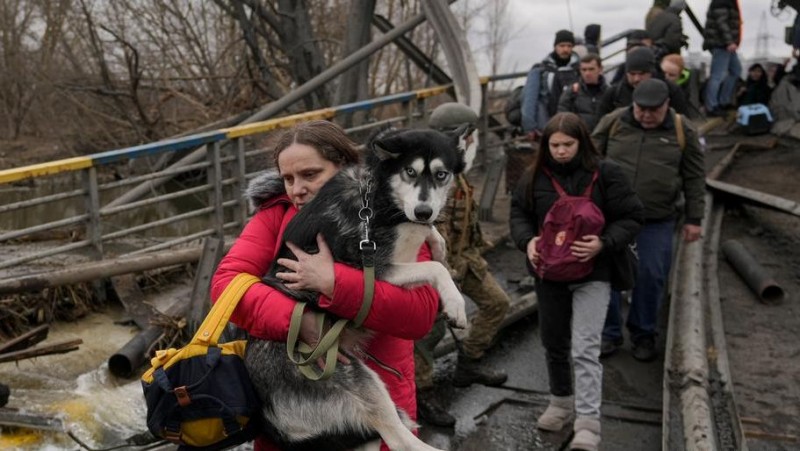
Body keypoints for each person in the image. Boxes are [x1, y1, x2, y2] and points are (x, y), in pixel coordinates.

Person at [210, 120, 441, 451]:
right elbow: (226, 285)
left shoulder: (390, 216)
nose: (296, 189)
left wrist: (335, 284)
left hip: (375, 407)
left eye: (310, 174)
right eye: (288, 178)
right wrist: (299, 321)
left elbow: (419, 315)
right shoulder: (275, 215)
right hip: (289, 403)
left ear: (344, 168)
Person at [509, 112, 643, 451]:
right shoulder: (534, 176)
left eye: (567, 144)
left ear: (581, 142)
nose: (560, 151)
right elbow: (519, 214)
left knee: (584, 347)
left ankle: (587, 423)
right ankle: (560, 402)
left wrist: (604, 242)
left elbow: (631, 216)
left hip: (593, 273)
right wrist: (527, 240)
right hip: (549, 272)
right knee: (554, 342)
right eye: (554, 145)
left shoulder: (606, 174)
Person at [592, 79, 705, 362]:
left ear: (667, 105)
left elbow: (694, 176)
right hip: (612, 217)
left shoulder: (682, 130)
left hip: (656, 218)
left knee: (651, 275)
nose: (645, 115)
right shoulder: (614, 122)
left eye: (653, 110)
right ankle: (608, 332)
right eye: (641, 109)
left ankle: (643, 333)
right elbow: (589, 160)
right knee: (606, 275)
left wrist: (695, 217)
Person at [414, 102, 511, 427]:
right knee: (429, 331)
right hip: (439, 267)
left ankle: (468, 364)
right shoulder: (431, 173)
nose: (473, 140)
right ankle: (421, 392)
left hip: (464, 259)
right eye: (470, 133)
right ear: (463, 134)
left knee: (497, 303)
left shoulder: (453, 164)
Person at [520, 29, 581, 140]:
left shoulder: (580, 69)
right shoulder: (540, 69)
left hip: (573, 124)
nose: (565, 49)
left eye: (569, 46)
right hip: (546, 124)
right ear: (555, 46)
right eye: (562, 45)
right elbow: (530, 98)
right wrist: (529, 127)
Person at [597, 46, 689, 118]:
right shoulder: (614, 94)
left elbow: (682, 122)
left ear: (651, 72)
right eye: (632, 74)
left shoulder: (672, 91)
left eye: (642, 74)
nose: (637, 78)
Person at [702, 0, 743, 117]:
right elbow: (721, 22)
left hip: (725, 44)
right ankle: (711, 106)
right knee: (717, 75)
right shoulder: (722, 1)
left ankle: (723, 101)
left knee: (736, 71)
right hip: (722, 44)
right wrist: (729, 41)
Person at [558, 53, 608, 131]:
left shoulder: (609, 92)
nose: (587, 73)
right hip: (580, 136)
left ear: (600, 69)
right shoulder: (572, 92)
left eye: (591, 69)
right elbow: (561, 117)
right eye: (584, 70)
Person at [661, 53, 703, 120]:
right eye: (663, 73)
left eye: (671, 75)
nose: (666, 77)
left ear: (679, 76)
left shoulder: (680, 94)